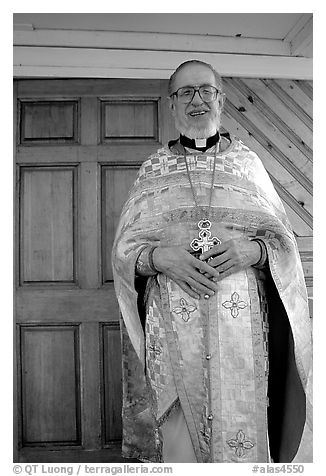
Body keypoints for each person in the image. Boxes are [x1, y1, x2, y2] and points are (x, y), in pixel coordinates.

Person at [111, 60, 312, 463]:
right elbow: (124, 252)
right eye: (185, 92)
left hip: (242, 337)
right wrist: (157, 257)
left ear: (220, 99)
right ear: (172, 105)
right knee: (180, 447)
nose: (196, 100)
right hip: (172, 337)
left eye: (205, 90)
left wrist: (251, 250)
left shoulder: (247, 164)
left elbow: (283, 242)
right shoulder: (153, 170)